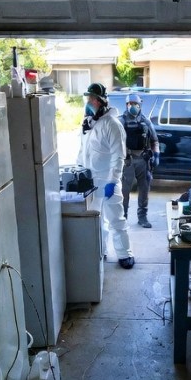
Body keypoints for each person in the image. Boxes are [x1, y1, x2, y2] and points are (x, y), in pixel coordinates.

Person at [78, 82, 134, 268]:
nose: (89, 102)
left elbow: (119, 156)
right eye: (88, 99)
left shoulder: (112, 124)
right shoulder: (89, 123)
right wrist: (79, 171)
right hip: (90, 181)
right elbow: (82, 151)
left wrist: (112, 180)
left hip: (107, 180)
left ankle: (124, 254)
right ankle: (101, 250)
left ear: (101, 102)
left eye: (92, 99)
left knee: (116, 219)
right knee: (97, 220)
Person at [120, 94, 160, 228]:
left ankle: (142, 217)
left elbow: (155, 141)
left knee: (144, 189)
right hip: (127, 161)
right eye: (129, 103)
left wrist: (156, 155)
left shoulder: (146, 121)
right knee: (124, 191)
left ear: (139, 105)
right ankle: (123, 217)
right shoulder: (120, 121)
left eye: (134, 103)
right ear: (126, 105)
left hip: (143, 160)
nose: (132, 106)